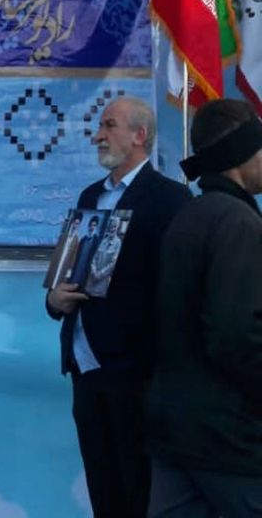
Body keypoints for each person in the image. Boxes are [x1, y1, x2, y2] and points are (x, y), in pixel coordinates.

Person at [46, 96, 192, 518]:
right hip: (85, 369)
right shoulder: (90, 195)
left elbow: (176, 287)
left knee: (139, 492)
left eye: (109, 126)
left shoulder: (169, 199)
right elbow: (66, 272)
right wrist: (54, 300)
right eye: (100, 126)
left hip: (135, 373)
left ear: (139, 135)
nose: (98, 135)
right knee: (103, 490)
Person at [146, 99, 262, 518]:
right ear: (240, 155)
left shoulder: (191, 214)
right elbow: (237, 336)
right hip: (228, 441)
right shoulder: (236, 223)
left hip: (177, 432)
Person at [86, 216, 123, 297]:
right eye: (110, 226)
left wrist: (100, 274)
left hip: (102, 283)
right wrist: (94, 271)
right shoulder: (103, 241)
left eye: (114, 226)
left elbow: (113, 264)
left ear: (118, 228)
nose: (112, 229)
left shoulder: (118, 243)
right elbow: (94, 258)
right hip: (91, 280)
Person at [70, 214, 103, 285]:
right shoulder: (83, 239)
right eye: (91, 225)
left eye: (94, 225)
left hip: (87, 268)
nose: (92, 227)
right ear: (89, 226)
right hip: (78, 266)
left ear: (96, 227)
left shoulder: (97, 240)